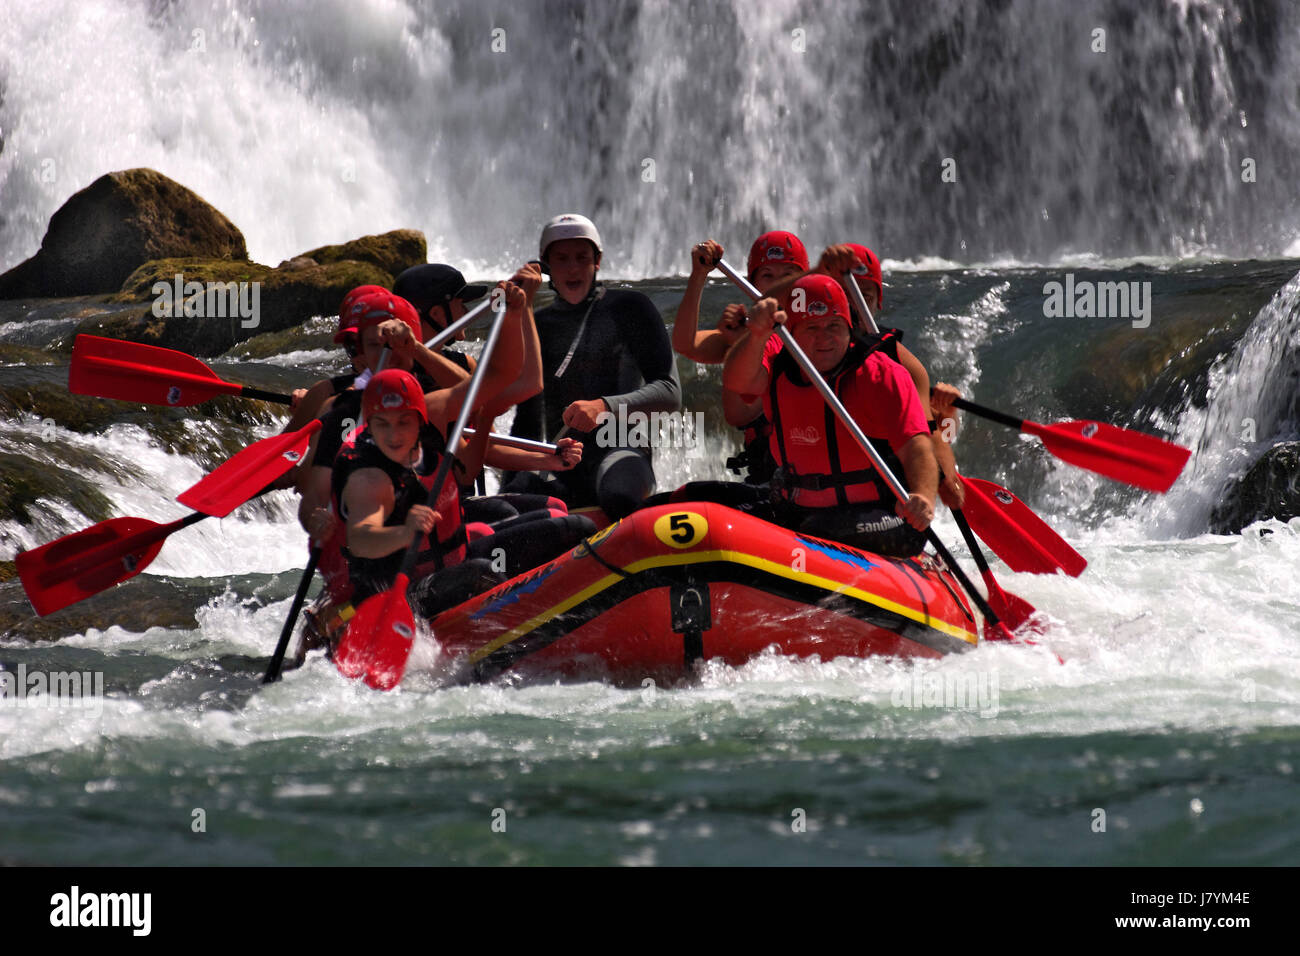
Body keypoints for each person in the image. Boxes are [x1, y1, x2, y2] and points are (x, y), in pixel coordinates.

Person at [722, 274, 938, 557]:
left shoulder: (879, 374)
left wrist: (922, 496)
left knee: (816, 530)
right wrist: (757, 335)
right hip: (798, 509)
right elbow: (737, 381)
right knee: (695, 498)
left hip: (885, 517)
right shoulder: (778, 366)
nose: (824, 338)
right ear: (793, 333)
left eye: (834, 326)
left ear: (849, 328)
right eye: (812, 328)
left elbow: (917, 447)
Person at [502, 214, 681, 519]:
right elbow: (521, 406)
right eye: (561, 259)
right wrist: (520, 310)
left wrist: (603, 407)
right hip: (555, 460)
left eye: (582, 258)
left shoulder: (631, 308)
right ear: (545, 267)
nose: (572, 268)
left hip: (619, 449)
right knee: (508, 510)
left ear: (597, 261)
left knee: (621, 496)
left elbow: (670, 393)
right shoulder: (536, 323)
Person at [817, 242, 965, 510]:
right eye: (844, 296)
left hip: (878, 508)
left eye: (865, 298)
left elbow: (937, 441)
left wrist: (948, 419)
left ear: (878, 303)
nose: (854, 309)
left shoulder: (903, 365)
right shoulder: (795, 348)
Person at [670, 230, 807, 486]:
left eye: (788, 276)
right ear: (754, 282)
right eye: (767, 276)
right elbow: (684, 344)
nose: (777, 285)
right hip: (766, 472)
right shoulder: (742, 330)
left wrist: (745, 343)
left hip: (804, 470)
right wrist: (698, 276)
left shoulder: (818, 337)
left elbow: (742, 413)